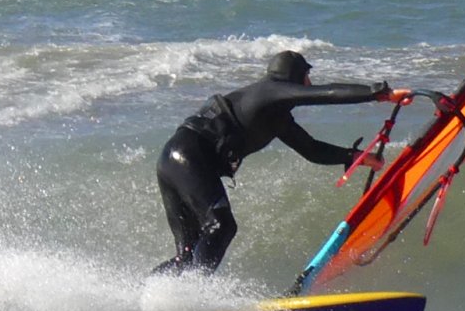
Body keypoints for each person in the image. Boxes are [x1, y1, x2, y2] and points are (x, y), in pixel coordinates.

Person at [153, 50, 396, 275]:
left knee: (185, 256)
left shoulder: (275, 116)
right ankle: (194, 294)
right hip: (189, 155)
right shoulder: (268, 91)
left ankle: (149, 298)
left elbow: (311, 150)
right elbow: (326, 93)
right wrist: (377, 93)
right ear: (294, 78)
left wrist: (355, 157)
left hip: (173, 159)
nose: (309, 83)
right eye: (307, 77)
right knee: (221, 226)